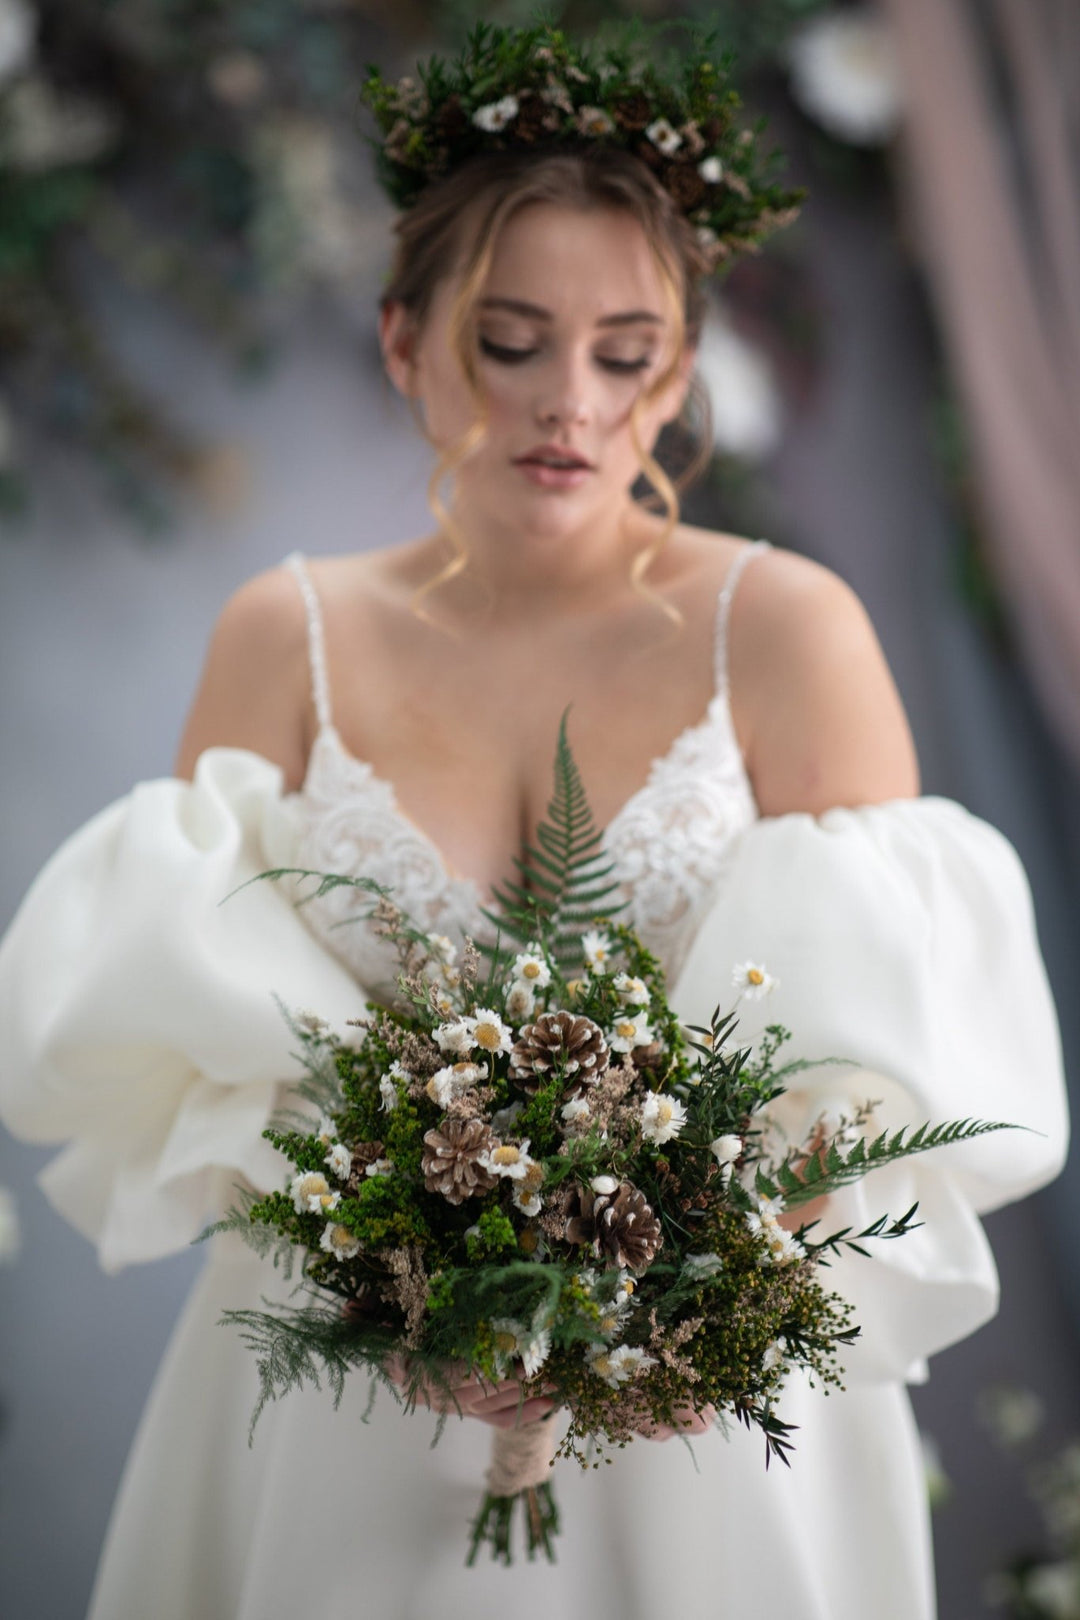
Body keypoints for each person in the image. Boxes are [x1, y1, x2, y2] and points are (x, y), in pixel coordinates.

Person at [0, 20, 1068, 1620]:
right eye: (510, 341)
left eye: (627, 351)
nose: (569, 402)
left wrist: (680, 1306)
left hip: (710, 1429)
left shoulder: (785, 630)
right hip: (347, 1403)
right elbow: (205, 1058)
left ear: (683, 369)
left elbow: (877, 1070)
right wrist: (396, 1286)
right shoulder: (279, 635)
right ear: (404, 342)